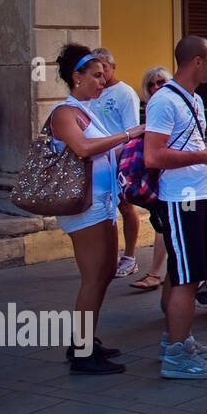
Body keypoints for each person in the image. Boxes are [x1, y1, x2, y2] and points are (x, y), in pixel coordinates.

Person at [144, 35, 207, 379]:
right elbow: (153, 155)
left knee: (183, 270)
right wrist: (202, 155)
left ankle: (177, 339)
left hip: (196, 195)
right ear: (196, 61)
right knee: (187, 276)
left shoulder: (193, 100)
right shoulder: (164, 101)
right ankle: (176, 357)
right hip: (179, 199)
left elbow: (188, 145)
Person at [48, 45, 146, 374]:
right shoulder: (64, 113)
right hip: (84, 206)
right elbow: (85, 148)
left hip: (104, 202)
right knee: (93, 277)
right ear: (76, 77)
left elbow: (109, 151)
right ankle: (81, 352)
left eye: (104, 75)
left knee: (105, 273)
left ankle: (86, 339)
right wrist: (130, 133)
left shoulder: (88, 111)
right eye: (96, 76)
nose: (102, 82)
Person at [88, 48, 144, 281]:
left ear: (113, 67)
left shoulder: (124, 93)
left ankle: (129, 257)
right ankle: (104, 258)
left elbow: (132, 129)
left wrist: (121, 157)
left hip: (118, 158)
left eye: (105, 69)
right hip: (96, 160)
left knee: (125, 206)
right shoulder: (92, 92)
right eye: (97, 71)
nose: (101, 76)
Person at [128, 66, 172, 292]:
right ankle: (160, 273)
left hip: (168, 174)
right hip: (155, 176)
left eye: (161, 82)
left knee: (163, 224)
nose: (156, 87)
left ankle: (156, 274)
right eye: (152, 84)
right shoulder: (151, 109)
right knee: (161, 224)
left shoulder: (168, 107)